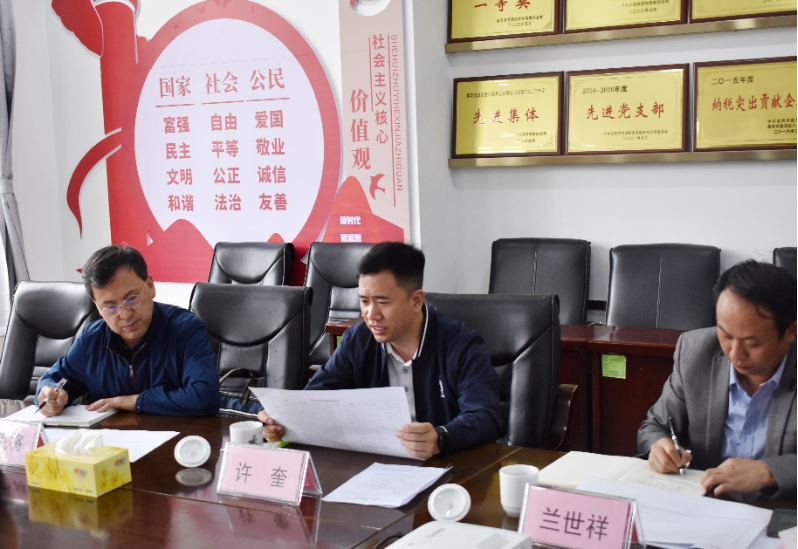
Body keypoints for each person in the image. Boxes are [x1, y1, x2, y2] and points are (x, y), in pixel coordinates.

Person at [258, 242, 502, 459]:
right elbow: (316, 397)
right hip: (376, 463)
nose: (371, 315)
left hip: (446, 468)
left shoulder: (461, 345)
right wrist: (282, 422)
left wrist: (441, 437)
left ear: (416, 300)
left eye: (383, 302)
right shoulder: (358, 339)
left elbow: (486, 416)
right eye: (364, 301)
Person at [638, 260, 797, 499]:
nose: (735, 353)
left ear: (791, 331)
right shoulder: (695, 352)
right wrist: (659, 446)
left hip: (781, 511)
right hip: (706, 505)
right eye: (726, 335)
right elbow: (654, 426)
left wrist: (769, 472)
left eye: (752, 343)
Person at [36, 245, 219, 417]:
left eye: (131, 299)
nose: (125, 314)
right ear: (97, 307)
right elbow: (54, 379)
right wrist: (49, 395)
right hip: (111, 438)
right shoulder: (91, 339)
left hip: (179, 437)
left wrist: (134, 401)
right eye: (110, 307)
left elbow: (205, 397)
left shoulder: (185, 329)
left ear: (150, 286)